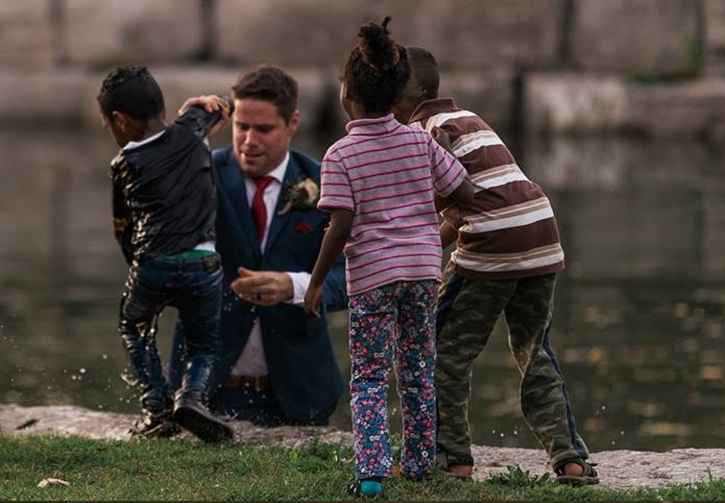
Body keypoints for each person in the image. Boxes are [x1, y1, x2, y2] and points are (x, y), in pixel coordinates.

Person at [391, 47, 599, 485]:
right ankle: (570, 457)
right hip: (541, 232)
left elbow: (454, 195)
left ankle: (453, 458)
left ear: (395, 96)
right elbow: (459, 210)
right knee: (534, 349)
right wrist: (429, 241)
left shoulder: (423, 133)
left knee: (440, 349)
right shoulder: (468, 118)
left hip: (494, 241)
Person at [304, 19, 474, 497]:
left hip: (373, 277)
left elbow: (339, 227)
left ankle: (373, 472)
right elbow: (463, 187)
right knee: (419, 367)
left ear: (347, 95)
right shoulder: (421, 140)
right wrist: (438, 220)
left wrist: (317, 281)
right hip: (422, 270)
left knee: (371, 374)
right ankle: (419, 464)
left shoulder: (340, 155)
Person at [169, 66, 347, 427]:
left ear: (293, 123)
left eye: (263, 129)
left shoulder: (325, 184)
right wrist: (183, 139)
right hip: (204, 392)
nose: (249, 140)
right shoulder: (200, 173)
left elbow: (356, 276)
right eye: (241, 127)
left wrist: (296, 286)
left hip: (300, 392)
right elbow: (153, 210)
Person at [98, 65, 233, 442]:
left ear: (120, 120)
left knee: (133, 325)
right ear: (162, 107)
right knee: (202, 343)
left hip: (152, 263)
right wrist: (198, 103)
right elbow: (221, 107)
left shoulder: (123, 163)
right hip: (204, 263)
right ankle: (191, 398)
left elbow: (122, 227)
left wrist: (137, 266)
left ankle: (156, 407)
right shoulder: (191, 130)